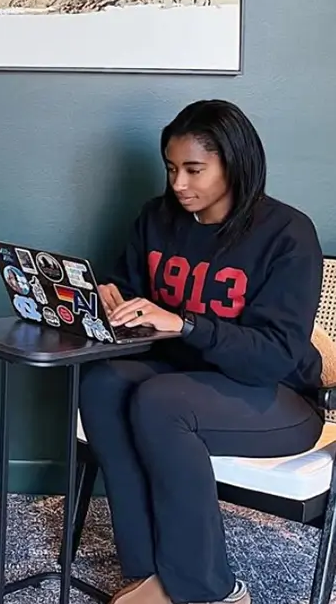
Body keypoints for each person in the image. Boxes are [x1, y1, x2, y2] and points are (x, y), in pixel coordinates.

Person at [82, 99, 325, 604]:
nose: (178, 184)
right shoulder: (157, 219)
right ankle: (150, 575)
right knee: (104, 384)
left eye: (194, 169)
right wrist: (111, 299)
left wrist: (187, 324)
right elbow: (131, 291)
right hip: (180, 378)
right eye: (172, 168)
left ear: (234, 163)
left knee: (161, 401)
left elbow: (276, 356)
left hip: (278, 397)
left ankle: (209, 590)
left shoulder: (287, 234)